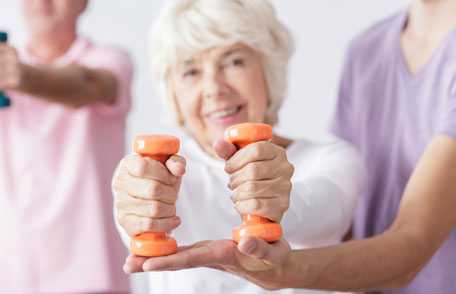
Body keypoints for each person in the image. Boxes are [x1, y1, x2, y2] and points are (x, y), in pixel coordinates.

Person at [123, 1, 456, 293]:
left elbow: (334, 212)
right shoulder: (366, 51)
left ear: (269, 72)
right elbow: (132, 220)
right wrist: (134, 206)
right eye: (190, 71)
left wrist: (277, 209)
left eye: (235, 61)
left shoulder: (332, 160)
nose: (213, 88)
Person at [0, 0, 132, 293]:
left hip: (92, 273)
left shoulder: (110, 61)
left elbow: (84, 86)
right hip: (15, 274)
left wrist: (20, 76)